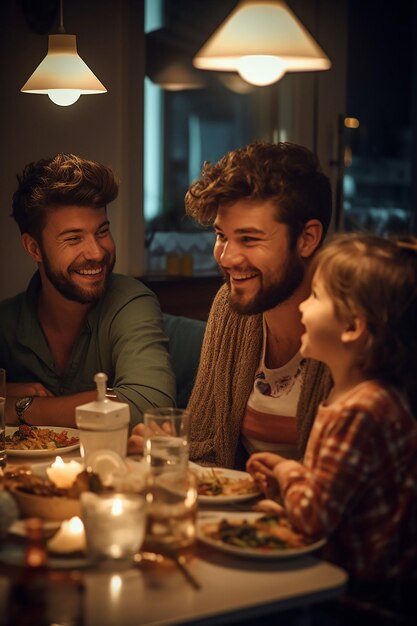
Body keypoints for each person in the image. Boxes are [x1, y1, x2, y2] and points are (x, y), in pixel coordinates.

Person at [128, 141, 333, 467]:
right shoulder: (230, 307)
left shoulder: (350, 327)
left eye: (249, 239)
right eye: (222, 235)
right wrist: (171, 450)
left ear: (307, 238)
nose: (226, 257)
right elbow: (206, 445)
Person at [247, 233, 417, 586]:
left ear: (353, 327)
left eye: (316, 296)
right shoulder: (354, 396)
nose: (303, 307)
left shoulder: (364, 410)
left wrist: (286, 471)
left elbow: (314, 517)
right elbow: (336, 498)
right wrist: (282, 489)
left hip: (354, 596)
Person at [0, 153, 175, 429]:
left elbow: (148, 406)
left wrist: (18, 408)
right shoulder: (7, 321)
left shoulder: (130, 301)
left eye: (102, 231)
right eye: (73, 239)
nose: (96, 252)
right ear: (33, 248)